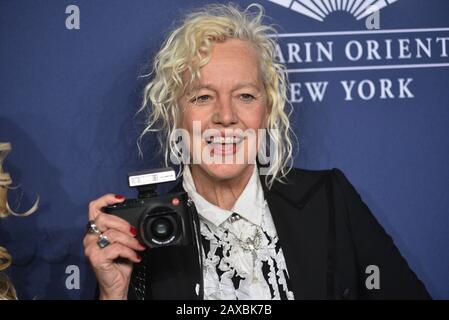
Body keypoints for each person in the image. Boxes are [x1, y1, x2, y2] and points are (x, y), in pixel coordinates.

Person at [83, 3, 430, 300]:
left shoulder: (330, 200)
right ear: (175, 115)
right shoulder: (140, 241)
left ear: (267, 111)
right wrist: (114, 294)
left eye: (245, 95)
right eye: (202, 97)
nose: (226, 116)